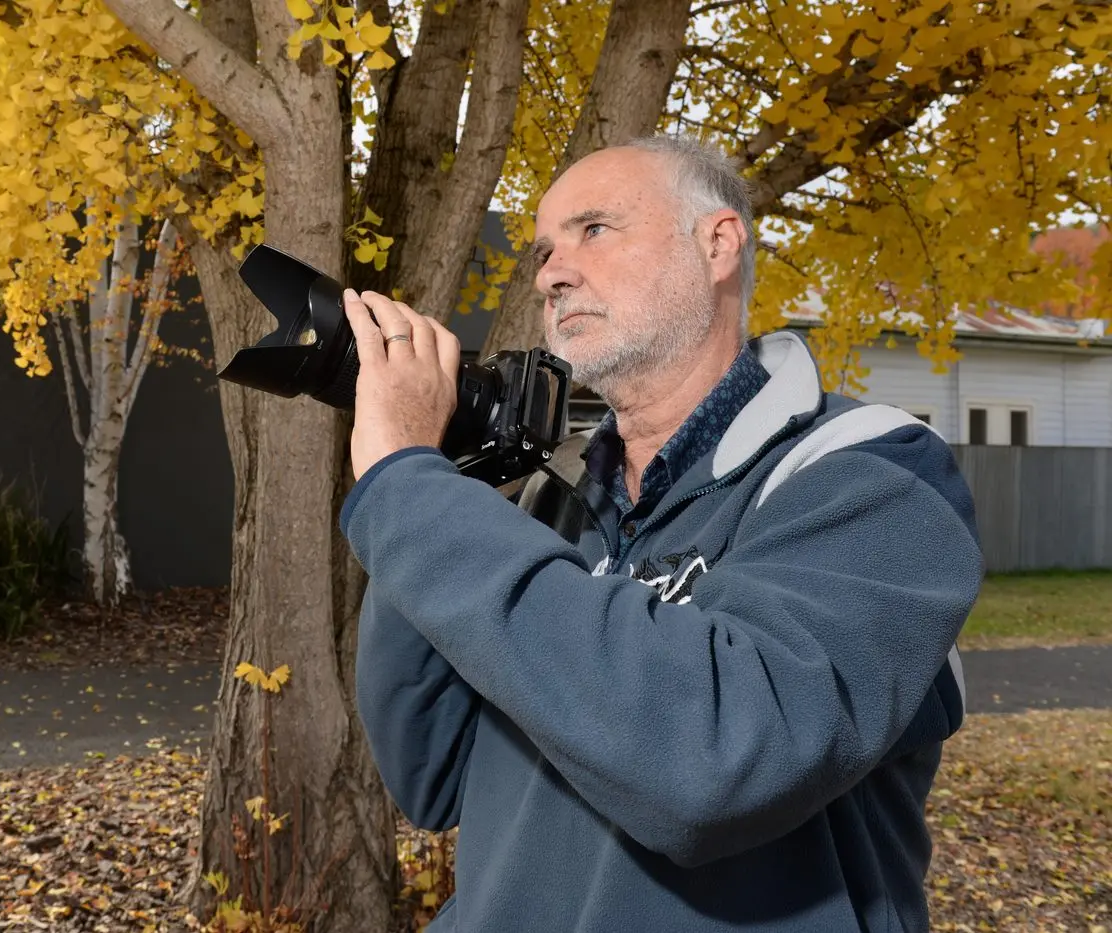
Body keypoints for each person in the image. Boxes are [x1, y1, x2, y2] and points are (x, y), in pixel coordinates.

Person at [336, 132, 983, 932]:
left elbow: (721, 759)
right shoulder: (548, 501)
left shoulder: (868, 473)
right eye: (543, 249)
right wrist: (441, 475)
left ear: (717, 242)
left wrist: (408, 491)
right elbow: (431, 772)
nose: (551, 271)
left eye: (593, 230)